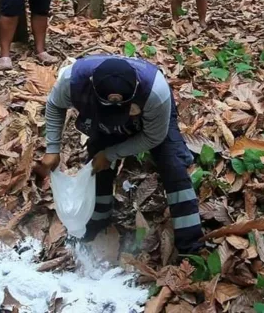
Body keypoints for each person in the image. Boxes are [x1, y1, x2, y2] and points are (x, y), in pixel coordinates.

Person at [40, 55, 204, 254]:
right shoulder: (72, 81)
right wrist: (53, 148)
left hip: (151, 120)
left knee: (172, 164)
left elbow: (154, 137)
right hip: (98, 115)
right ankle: (98, 220)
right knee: (97, 156)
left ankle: (191, 247)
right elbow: (55, 105)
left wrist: (112, 153)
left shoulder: (154, 92)